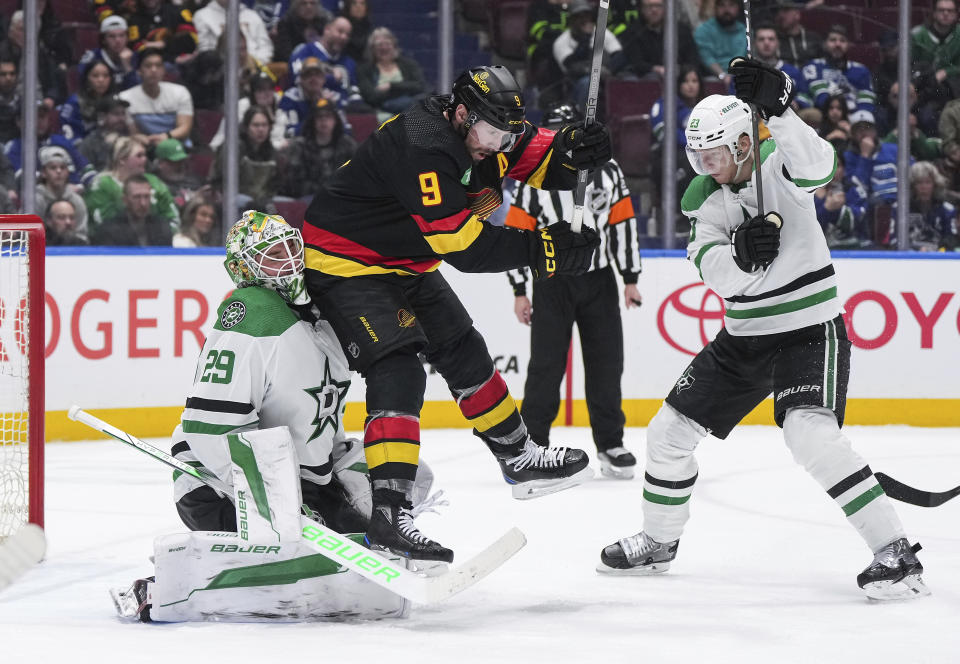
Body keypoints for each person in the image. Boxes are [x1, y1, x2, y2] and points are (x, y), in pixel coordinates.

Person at [596, 59, 930, 601]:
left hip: (808, 328)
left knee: (810, 434)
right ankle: (659, 543)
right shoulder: (703, 200)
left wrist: (779, 110)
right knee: (668, 432)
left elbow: (821, 167)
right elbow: (717, 276)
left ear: (745, 144)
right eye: (697, 155)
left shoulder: (780, 160)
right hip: (744, 338)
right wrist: (744, 259)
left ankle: (894, 551)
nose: (706, 164)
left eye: (715, 154)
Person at [301, 65, 611, 562]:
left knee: (464, 347)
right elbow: (463, 248)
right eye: (490, 132)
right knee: (399, 368)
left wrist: (576, 148)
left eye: (505, 133)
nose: (497, 144)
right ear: (461, 114)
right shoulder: (424, 146)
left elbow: (542, 157)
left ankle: (518, 455)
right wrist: (547, 248)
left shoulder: (490, 130)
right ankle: (388, 513)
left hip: (404, 261)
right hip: (344, 261)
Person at [111, 211, 431, 622]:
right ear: (244, 269)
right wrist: (269, 500)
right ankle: (170, 584)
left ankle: (336, 556)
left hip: (304, 487)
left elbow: (316, 418)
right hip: (222, 489)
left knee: (406, 474)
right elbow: (209, 425)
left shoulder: (316, 315)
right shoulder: (253, 311)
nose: (291, 261)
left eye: (291, 248)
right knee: (294, 543)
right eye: (272, 255)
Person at [504, 104, 642, 480]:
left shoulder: (608, 171)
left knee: (606, 363)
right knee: (546, 365)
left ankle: (611, 443)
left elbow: (623, 222)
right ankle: (533, 443)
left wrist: (630, 277)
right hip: (551, 279)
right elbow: (518, 233)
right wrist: (519, 289)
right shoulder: (533, 178)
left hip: (599, 281)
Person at [85, 136, 180, 229]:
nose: (145, 159)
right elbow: (103, 223)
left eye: (145, 155)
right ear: (122, 159)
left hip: (155, 239)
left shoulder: (154, 181)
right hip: (114, 241)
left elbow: (172, 217)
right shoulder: (102, 184)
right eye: (139, 155)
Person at [280, 97, 357, 199]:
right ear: (312, 121)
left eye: (328, 116)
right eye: (319, 117)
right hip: (309, 198)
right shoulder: (299, 146)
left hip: (342, 197)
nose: (324, 120)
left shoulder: (348, 145)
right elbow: (295, 184)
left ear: (336, 120)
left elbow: (356, 177)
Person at [552, 0, 625, 105]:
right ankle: (585, 118)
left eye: (586, 15)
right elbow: (572, 67)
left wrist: (609, 70)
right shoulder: (561, 42)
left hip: (605, 75)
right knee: (589, 83)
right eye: (579, 16)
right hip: (575, 85)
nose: (584, 20)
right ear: (571, 20)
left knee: (625, 78)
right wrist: (586, 38)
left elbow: (619, 56)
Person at [209, 105, 280, 212]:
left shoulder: (271, 152)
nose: (261, 129)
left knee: (284, 203)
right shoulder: (233, 148)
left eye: (264, 125)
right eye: (256, 125)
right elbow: (220, 181)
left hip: (262, 200)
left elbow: (274, 185)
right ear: (246, 127)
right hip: (232, 198)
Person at [801, 24, 876, 125]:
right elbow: (821, 97)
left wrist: (853, 117)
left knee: (866, 117)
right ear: (825, 44)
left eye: (842, 41)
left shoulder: (861, 70)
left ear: (848, 45)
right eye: (833, 40)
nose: (838, 44)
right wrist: (839, 114)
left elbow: (866, 101)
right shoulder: (814, 66)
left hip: (854, 118)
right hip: (825, 115)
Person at [119, 47, 194, 146]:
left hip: (175, 143)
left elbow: (185, 128)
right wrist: (143, 139)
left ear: (164, 70)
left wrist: (165, 137)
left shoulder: (180, 92)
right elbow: (133, 132)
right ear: (138, 71)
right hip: (143, 145)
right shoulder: (125, 98)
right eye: (148, 66)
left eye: (158, 65)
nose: (154, 70)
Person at [356, 27, 427, 123]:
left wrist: (391, 87)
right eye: (379, 45)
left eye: (387, 44)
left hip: (411, 113)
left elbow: (420, 86)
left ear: (394, 45)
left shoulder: (409, 65)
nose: (384, 48)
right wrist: (403, 91)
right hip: (382, 116)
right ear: (372, 49)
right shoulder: (365, 70)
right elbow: (371, 97)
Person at [885, 161, 960, 251]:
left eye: (928, 182)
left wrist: (936, 250)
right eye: (919, 183)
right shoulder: (899, 208)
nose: (924, 187)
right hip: (908, 257)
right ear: (912, 185)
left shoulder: (947, 210)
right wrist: (915, 249)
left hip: (939, 257)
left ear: (935, 184)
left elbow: (951, 239)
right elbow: (894, 240)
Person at [620, 0, 698, 80]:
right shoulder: (633, 32)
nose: (654, 10)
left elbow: (692, 59)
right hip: (646, 77)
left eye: (658, 6)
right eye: (649, 6)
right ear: (642, 9)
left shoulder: (681, 30)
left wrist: (680, 69)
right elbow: (636, 62)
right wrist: (656, 69)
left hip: (680, 76)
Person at [92, 174, 174, 246]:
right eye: (137, 197)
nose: (143, 203)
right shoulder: (109, 231)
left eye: (146, 196)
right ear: (125, 200)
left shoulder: (162, 227)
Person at [35, 145, 90, 243]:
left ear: (68, 172)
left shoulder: (77, 200)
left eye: (63, 167)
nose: (59, 171)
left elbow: (82, 235)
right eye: (53, 168)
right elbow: (28, 235)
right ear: (43, 172)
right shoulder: (35, 200)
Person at [194, 0, 274, 63]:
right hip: (220, 71)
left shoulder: (252, 15)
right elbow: (205, 51)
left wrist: (252, 62)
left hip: (254, 69)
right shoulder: (202, 16)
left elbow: (266, 47)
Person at [77, 15, 139, 92]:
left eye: (122, 35)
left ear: (127, 38)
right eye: (112, 36)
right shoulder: (92, 57)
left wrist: (128, 67)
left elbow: (138, 91)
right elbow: (82, 86)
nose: (118, 40)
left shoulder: (134, 57)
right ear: (103, 40)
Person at [693, 0, 747, 84]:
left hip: (739, 78)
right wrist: (722, 75)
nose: (726, 9)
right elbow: (707, 58)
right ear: (715, 8)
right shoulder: (703, 31)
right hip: (711, 80)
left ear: (737, 8)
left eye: (731, 5)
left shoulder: (744, 31)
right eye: (722, 5)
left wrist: (732, 76)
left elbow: (742, 57)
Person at [78, 94, 132, 172]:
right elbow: (84, 172)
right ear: (102, 116)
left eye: (123, 113)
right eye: (116, 114)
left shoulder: (129, 139)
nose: (121, 118)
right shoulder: (90, 144)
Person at [274, 0, 332, 64]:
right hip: (294, 63)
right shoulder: (286, 23)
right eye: (303, 3)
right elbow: (285, 54)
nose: (308, 7)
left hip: (322, 62)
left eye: (312, 3)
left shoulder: (325, 21)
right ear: (296, 6)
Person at [774, 0, 821, 68]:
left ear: (797, 13)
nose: (781, 15)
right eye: (778, 11)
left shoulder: (813, 39)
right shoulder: (774, 40)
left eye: (786, 10)